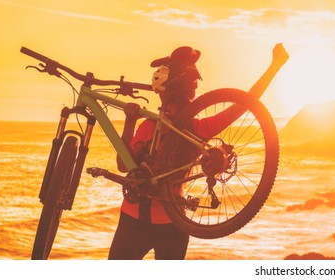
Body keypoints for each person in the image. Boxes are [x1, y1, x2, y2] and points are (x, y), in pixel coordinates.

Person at [108, 43, 289, 260]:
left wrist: (274, 67)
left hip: (170, 223)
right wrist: (130, 121)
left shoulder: (194, 129)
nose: (168, 108)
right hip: (139, 220)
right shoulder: (150, 127)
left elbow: (243, 104)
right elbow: (123, 163)